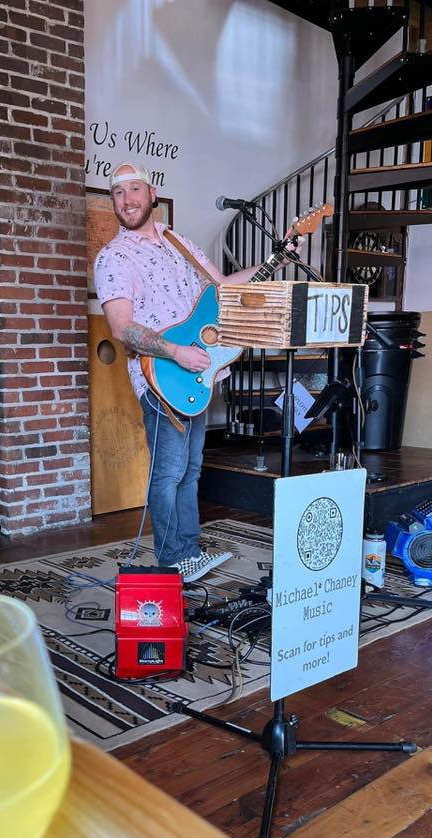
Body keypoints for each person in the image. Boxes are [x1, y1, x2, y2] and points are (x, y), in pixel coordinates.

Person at [94, 160, 290, 583]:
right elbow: (122, 328)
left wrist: (277, 259)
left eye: (134, 190)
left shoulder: (176, 241)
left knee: (190, 470)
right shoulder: (114, 257)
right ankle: (172, 560)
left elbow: (223, 288)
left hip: (198, 373)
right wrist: (176, 353)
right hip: (162, 377)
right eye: (118, 193)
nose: (127, 200)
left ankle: (189, 552)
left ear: (152, 194)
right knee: (168, 473)